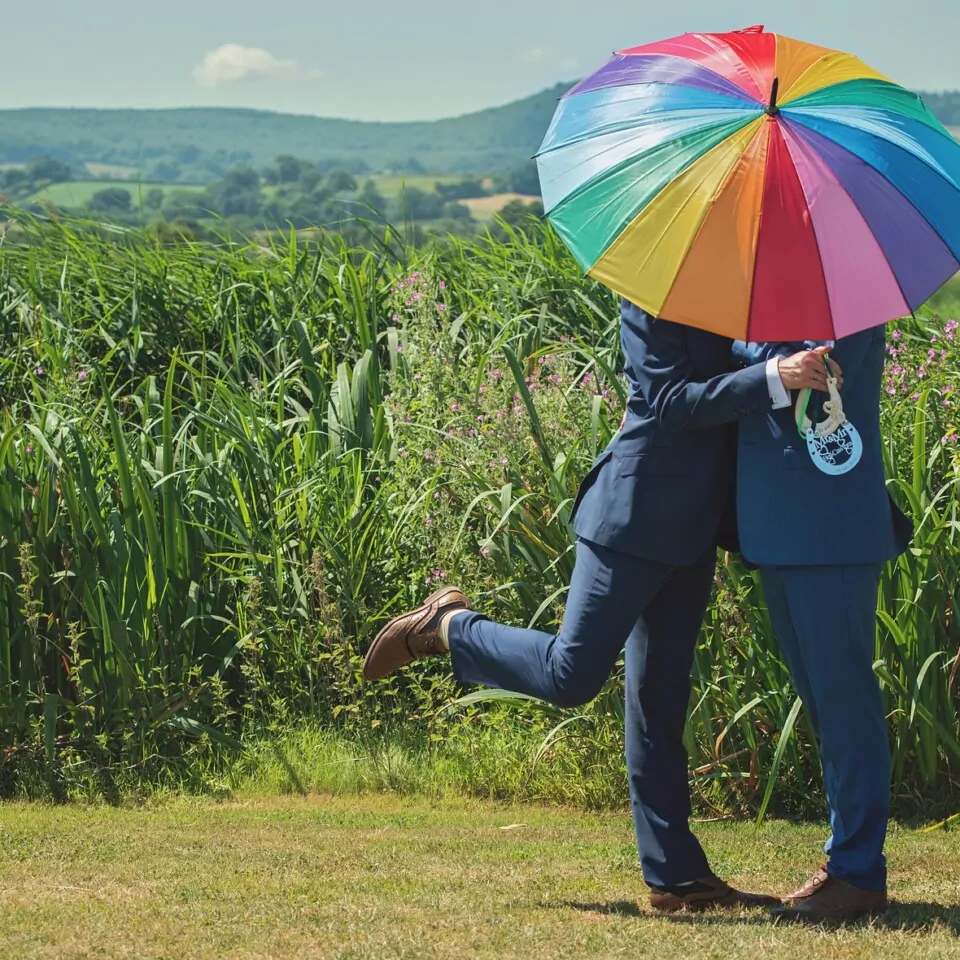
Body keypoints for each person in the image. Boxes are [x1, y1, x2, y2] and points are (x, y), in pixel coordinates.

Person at [363, 298, 835, 911]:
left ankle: (675, 878)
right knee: (570, 674)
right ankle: (450, 627)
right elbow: (668, 403)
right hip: (632, 518)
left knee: (657, 703)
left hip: (692, 530)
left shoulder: (730, 297)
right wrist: (776, 377)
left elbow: (733, 385)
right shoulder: (652, 295)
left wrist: (788, 360)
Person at [734, 330, 912, 923]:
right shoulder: (763, 303)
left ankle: (859, 873)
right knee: (822, 705)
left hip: (831, 530)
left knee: (844, 704)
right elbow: (780, 371)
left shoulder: (848, 296)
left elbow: (821, 376)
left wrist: (738, 351)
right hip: (780, 529)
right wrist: (765, 360)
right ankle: (846, 861)